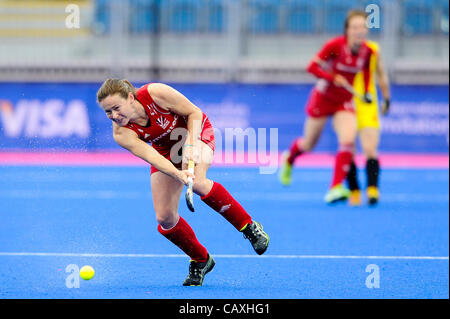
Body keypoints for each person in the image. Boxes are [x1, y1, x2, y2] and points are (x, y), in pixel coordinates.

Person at [97, 79, 269, 286]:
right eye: (108, 112)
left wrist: (190, 145)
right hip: (165, 151)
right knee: (164, 217)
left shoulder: (155, 93)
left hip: (195, 132)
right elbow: (154, 158)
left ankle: (249, 227)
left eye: (116, 108)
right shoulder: (121, 133)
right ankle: (201, 259)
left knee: (197, 182)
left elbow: (194, 113)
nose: (114, 116)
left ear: (131, 98)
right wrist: (178, 174)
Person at [279, 10, 375, 204]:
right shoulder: (335, 46)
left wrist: (366, 92)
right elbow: (312, 67)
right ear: (347, 30)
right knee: (308, 144)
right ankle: (289, 159)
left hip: (344, 101)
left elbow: (365, 74)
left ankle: (335, 187)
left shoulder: (368, 51)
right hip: (323, 98)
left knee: (348, 140)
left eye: (363, 27)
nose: (359, 31)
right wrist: (332, 78)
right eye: (355, 27)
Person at [346, 39, 391, 206]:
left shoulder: (373, 49)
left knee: (370, 148)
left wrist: (386, 99)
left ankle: (373, 190)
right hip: (347, 103)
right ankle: (354, 191)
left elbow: (381, 74)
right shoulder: (340, 48)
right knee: (348, 148)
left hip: (367, 104)